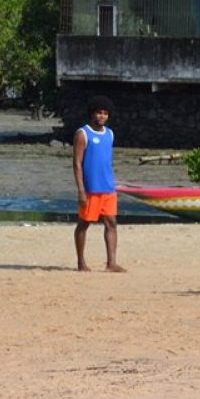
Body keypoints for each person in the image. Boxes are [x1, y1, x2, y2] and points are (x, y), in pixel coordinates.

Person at [72, 95, 125, 272]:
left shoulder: (110, 134)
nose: (102, 116)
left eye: (105, 113)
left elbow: (106, 160)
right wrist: (81, 190)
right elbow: (77, 163)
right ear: (92, 114)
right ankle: (81, 262)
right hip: (90, 189)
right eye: (99, 112)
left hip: (108, 188)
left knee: (111, 223)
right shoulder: (83, 133)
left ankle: (111, 263)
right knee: (84, 223)